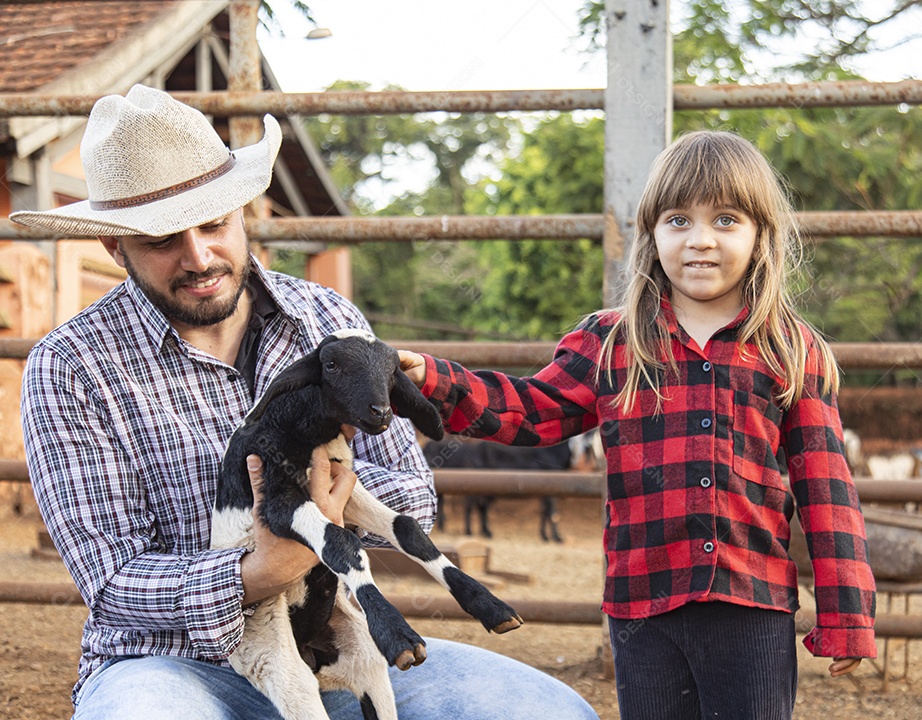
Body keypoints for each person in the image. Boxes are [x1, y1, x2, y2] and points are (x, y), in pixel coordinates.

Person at [12, 84, 598, 720]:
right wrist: (262, 567)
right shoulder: (69, 365)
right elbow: (112, 583)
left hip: (339, 647)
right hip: (176, 668)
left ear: (243, 211)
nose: (199, 255)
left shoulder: (328, 319)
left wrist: (317, 492)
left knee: (549, 712)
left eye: (213, 223)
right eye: (162, 240)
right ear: (114, 247)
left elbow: (415, 495)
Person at [398, 131, 878, 720]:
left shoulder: (789, 349)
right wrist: (433, 379)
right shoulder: (610, 342)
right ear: (651, 234)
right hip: (642, 606)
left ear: (761, 236)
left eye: (726, 220)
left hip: (751, 605)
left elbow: (826, 488)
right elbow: (529, 409)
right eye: (679, 220)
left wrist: (847, 615)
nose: (701, 241)